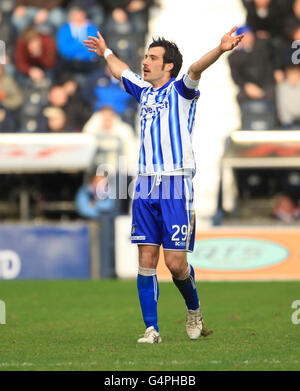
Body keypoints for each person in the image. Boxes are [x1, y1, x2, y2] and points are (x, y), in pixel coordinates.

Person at [84, 27, 244, 343]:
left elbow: (196, 68)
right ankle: (151, 329)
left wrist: (220, 48)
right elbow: (121, 70)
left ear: (168, 66)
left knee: (175, 264)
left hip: (175, 184)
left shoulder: (181, 91)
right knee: (146, 259)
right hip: (145, 185)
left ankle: (194, 310)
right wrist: (105, 51)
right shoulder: (143, 91)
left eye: (153, 57)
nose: (146, 61)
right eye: (146, 56)